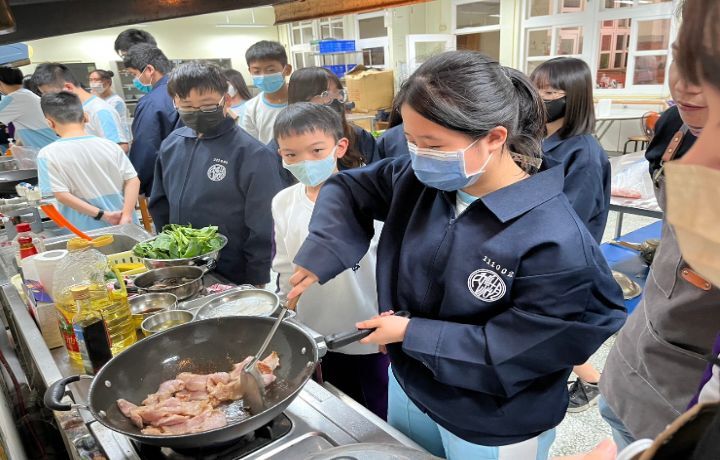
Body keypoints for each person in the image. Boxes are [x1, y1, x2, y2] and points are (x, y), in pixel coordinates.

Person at [285, 51, 626, 460]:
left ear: (495, 138)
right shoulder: (418, 181)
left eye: (432, 144)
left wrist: (412, 334)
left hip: (490, 418)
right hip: (412, 383)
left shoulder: (554, 239)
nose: (417, 156)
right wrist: (324, 250)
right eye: (410, 140)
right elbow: (348, 190)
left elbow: (524, 346)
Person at [597, 24, 720, 458]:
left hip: (685, 393)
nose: (685, 81)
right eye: (679, 56)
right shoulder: (678, 127)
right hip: (638, 349)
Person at [272, 102, 389, 418]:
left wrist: (388, 316)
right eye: (291, 154)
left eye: (316, 150)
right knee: (335, 400)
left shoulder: (369, 199)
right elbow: (284, 265)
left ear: (340, 147)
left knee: (376, 405)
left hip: (367, 329)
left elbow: (387, 264)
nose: (304, 162)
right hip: (315, 329)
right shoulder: (283, 202)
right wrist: (285, 312)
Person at [149, 61, 282, 286]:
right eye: (187, 106)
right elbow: (160, 203)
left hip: (233, 271)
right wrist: (166, 252)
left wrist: (256, 278)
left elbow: (264, 226)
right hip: (182, 266)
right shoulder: (171, 144)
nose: (197, 112)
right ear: (175, 102)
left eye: (207, 105)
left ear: (226, 100)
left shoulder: (251, 153)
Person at [530, 57, 611, 413]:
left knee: (555, 333)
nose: (539, 99)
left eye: (549, 92)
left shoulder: (584, 153)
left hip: (559, 260)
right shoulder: (538, 139)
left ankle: (593, 382)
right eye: (535, 90)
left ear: (573, 97)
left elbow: (571, 221)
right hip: (536, 251)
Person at [37, 92, 139, 231]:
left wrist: (103, 215)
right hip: (125, 225)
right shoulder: (110, 146)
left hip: (85, 232)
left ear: (50, 123)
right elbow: (133, 180)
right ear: (85, 116)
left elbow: (61, 195)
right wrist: (126, 215)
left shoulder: (48, 154)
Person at [268, 66, 377, 186]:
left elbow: (378, 181)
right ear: (300, 101)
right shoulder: (279, 148)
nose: (335, 100)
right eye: (325, 95)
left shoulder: (357, 136)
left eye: (338, 93)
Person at [123, 43, 180, 197]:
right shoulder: (185, 91)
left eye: (134, 74)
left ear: (149, 70)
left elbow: (146, 148)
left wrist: (138, 184)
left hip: (167, 183)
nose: (135, 79)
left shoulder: (151, 102)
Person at [32, 63, 129, 153]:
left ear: (68, 88)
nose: (46, 98)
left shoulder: (99, 110)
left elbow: (120, 147)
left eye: (48, 93)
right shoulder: (74, 108)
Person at [240, 40, 291, 144]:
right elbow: (250, 145)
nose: (263, 76)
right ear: (250, 72)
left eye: (270, 70)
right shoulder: (250, 109)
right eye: (257, 71)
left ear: (287, 70)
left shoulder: (304, 100)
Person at [0, 67, 56, 149]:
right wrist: (16, 147)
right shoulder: (26, 94)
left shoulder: (14, 98)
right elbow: (29, 126)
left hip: (46, 149)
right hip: (50, 145)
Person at [88, 69, 131, 142]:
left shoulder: (116, 101)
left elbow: (103, 119)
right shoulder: (95, 99)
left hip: (116, 140)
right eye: (91, 80)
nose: (93, 83)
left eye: (96, 80)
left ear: (108, 82)